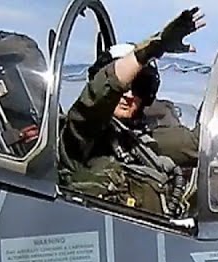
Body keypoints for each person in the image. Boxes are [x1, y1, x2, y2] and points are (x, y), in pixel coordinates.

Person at [59, 7, 206, 217]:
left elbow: (200, 143)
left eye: (139, 87)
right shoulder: (80, 138)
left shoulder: (142, 144)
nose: (129, 95)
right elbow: (99, 95)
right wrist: (153, 48)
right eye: (125, 86)